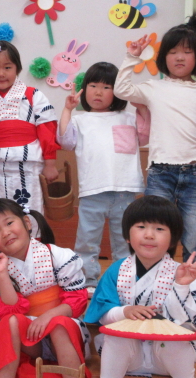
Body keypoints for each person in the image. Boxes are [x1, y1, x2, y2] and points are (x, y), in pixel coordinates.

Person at [85, 195, 196, 378]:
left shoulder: (181, 272)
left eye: (159, 229)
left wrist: (181, 286)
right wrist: (124, 312)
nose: (149, 235)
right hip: (129, 357)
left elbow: (191, 323)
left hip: (167, 359)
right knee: (115, 335)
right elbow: (100, 312)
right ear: (127, 234)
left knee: (177, 340)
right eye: (141, 227)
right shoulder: (117, 270)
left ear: (173, 238)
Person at [114, 10, 196, 285]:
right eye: (173, 52)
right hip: (161, 173)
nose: (179, 57)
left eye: (187, 52)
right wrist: (132, 57)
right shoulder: (153, 87)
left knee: (193, 236)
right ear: (164, 58)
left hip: (195, 174)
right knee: (156, 232)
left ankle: (195, 290)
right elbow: (121, 90)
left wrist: (195, 147)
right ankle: (153, 285)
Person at [0, 199, 90, 378]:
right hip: (33, 338)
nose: (5, 233)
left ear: (27, 223)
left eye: (9, 223)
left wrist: (49, 316)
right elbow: (12, 309)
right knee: (9, 321)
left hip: (64, 330)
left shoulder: (57, 255)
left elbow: (78, 299)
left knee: (59, 325)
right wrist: (1, 274)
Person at [57, 62, 149, 292]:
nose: (98, 92)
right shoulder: (80, 119)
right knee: (87, 242)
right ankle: (88, 281)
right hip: (92, 191)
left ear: (117, 92)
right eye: (93, 85)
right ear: (85, 88)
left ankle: (124, 282)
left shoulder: (128, 118)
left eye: (106, 87)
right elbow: (65, 141)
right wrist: (67, 110)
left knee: (125, 241)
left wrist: (142, 107)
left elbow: (145, 137)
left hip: (125, 191)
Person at [0, 41, 60, 213]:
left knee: (30, 209)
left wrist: (50, 163)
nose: (1, 74)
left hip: (29, 163)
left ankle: (32, 231)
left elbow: (47, 129)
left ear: (17, 69)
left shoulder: (33, 95)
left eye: (7, 67)